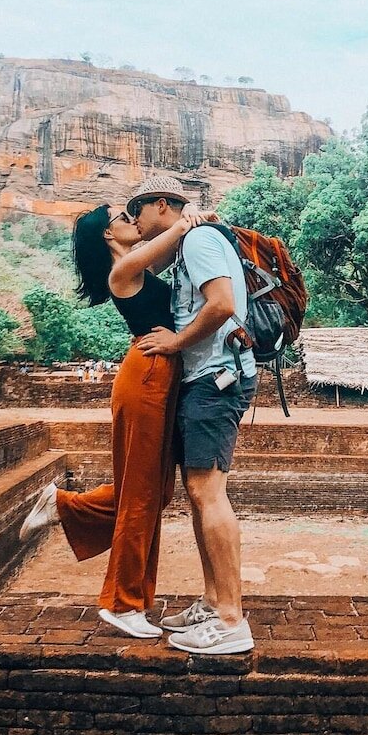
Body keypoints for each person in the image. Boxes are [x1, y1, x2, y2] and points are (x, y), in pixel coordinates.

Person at [20, 198, 206, 639]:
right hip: (145, 377)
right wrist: (187, 221)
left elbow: (166, 254)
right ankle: (124, 604)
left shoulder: (141, 269)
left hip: (162, 377)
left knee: (152, 493)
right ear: (109, 234)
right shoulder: (121, 273)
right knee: (141, 496)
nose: (132, 221)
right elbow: (167, 240)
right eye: (124, 219)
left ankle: (65, 506)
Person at [130, 175, 257, 655]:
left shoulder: (201, 240)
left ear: (159, 205)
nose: (135, 223)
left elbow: (222, 305)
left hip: (216, 377)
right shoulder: (190, 240)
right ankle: (212, 599)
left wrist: (176, 342)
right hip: (206, 379)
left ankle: (230, 620)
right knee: (199, 491)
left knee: (208, 493)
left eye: (136, 213)